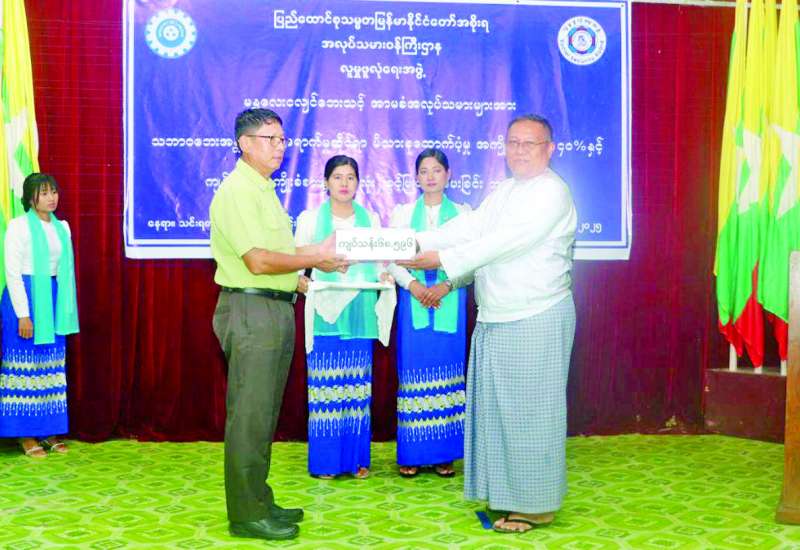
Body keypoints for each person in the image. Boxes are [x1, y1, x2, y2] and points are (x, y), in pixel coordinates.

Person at [400, 115, 577, 533]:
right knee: (500, 414)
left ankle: (536, 506)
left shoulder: (552, 192)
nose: (519, 151)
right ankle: (508, 495)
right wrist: (414, 242)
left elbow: (504, 243)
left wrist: (441, 259)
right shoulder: (506, 190)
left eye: (529, 144)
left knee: (532, 414)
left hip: (535, 315)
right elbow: (471, 226)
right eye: (512, 142)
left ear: (549, 149)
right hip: (497, 316)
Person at [209, 108, 348, 541]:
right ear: (244, 143)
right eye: (270, 139)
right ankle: (246, 514)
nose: (279, 147)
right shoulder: (237, 191)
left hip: (274, 307)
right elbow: (257, 260)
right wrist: (316, 256)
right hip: (251, 312)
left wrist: (309, 269)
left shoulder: (263, 189)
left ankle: (259, 498)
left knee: (264, 412)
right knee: (250, 416)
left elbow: (279, 256)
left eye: (282, 139)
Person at [294, 155, 392, 480]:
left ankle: (356, 459)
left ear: (358, 183)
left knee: (356, 388)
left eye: (350, 177)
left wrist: (385, 274)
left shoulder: (370, 219)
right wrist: (299, 281)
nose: (344, 183)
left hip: (360, 310)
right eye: (337, 177)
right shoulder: (310, 219)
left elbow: (380, 262)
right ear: (326, 182)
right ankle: (326, 463)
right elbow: (295, 258)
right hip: (325, 312)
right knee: (325, 386)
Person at [386, 148, 470, 478]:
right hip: (414, 301)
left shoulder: (463, 214)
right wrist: (414, 286)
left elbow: (472, 259)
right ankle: (412, 452)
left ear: (449, 175)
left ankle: (444, 454)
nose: (431, 176)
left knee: (448, 372)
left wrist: (446, 285)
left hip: (450, 298)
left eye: (437, 170)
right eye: (424, 171)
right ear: (416, 178)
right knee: (414, 373)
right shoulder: (403, 214)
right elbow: (392, 260)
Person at [0, 173, 79, 457]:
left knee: (50, 367)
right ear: (30, 198)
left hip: (53, 300)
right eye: (44, 193)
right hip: (26, 298)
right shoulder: (18, 226)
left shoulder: (62, 227)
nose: (51, 197)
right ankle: (24, 435)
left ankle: (48, 431)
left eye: (53, 191)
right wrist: (23, 314)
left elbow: (64, 270)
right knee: (26, 367)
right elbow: (12, 272)